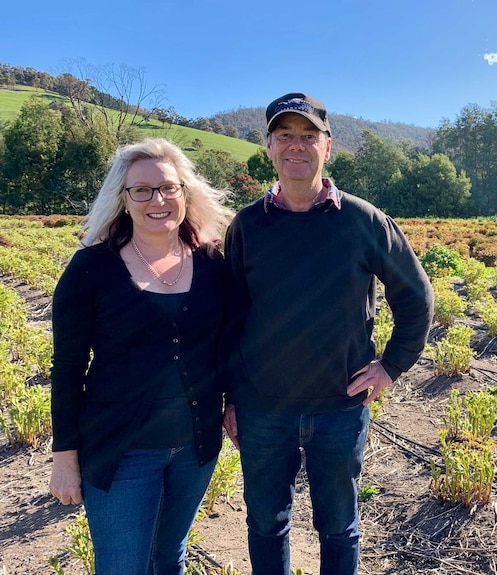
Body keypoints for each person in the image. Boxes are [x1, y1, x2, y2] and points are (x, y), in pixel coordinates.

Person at [222, 92, 434, 575]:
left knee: (339, 526)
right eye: (284, 136)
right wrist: (230, 398)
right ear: (269, 148)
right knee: (265, 524)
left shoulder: (362, 220)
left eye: (308, 136)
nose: (297, 146)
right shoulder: (248, 226)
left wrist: (392, 364)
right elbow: (229, 317)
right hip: (262, 409)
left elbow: (416, 296)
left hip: (339, 406)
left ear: (328, 147)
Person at [49, 138, 234, 575]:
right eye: (142, 190)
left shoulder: (212, 265)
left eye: (169, 188)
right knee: (123, 566)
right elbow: (68, 368)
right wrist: (64, 457)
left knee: (169, 557)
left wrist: (235, 406)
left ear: (185, 195)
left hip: (196, 446)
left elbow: (229, 348)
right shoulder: (91, 269)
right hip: (123, 449)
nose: (158, 199)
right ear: (124, 199)